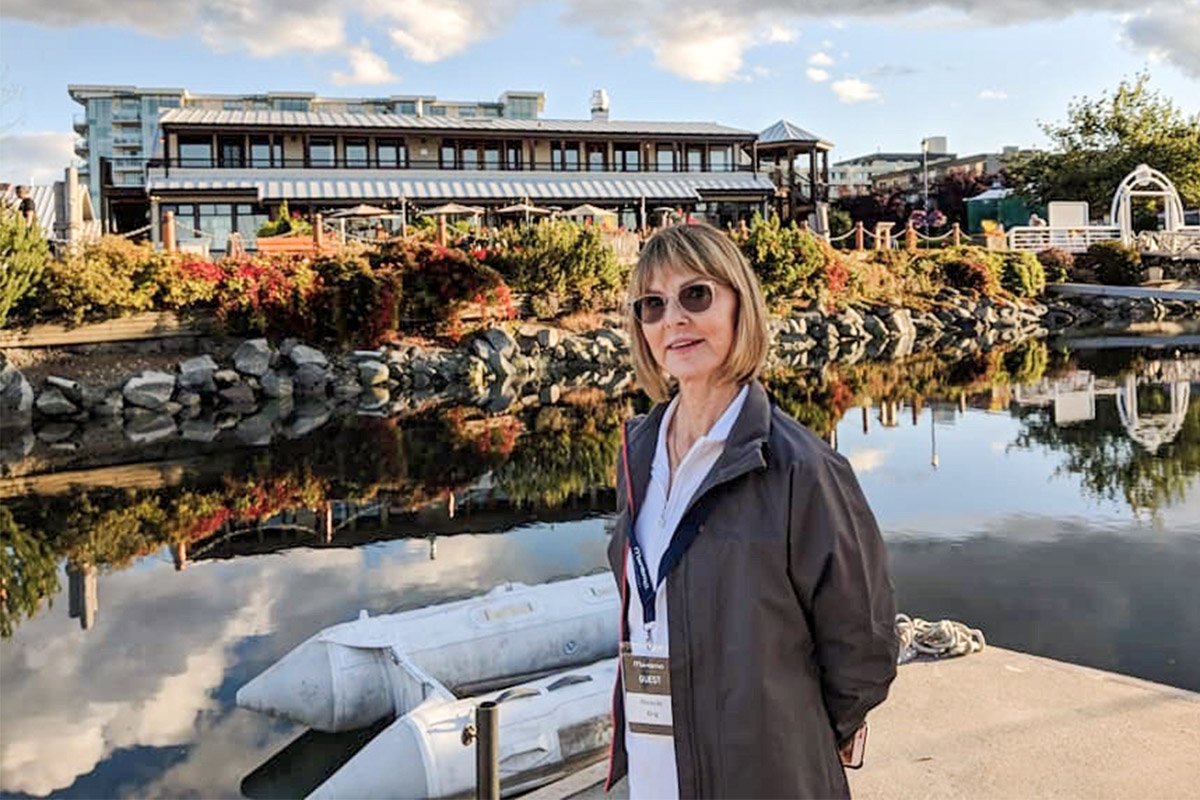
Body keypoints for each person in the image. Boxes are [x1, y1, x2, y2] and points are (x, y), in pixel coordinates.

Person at [606, 222, 898, 799]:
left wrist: (791, 735)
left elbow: (863, 649)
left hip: (766, 777)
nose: (674, 320)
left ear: (741, 304)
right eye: (653, 305)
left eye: (696, 295)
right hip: (658, 768)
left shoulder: (801, 469)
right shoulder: (637, 452)